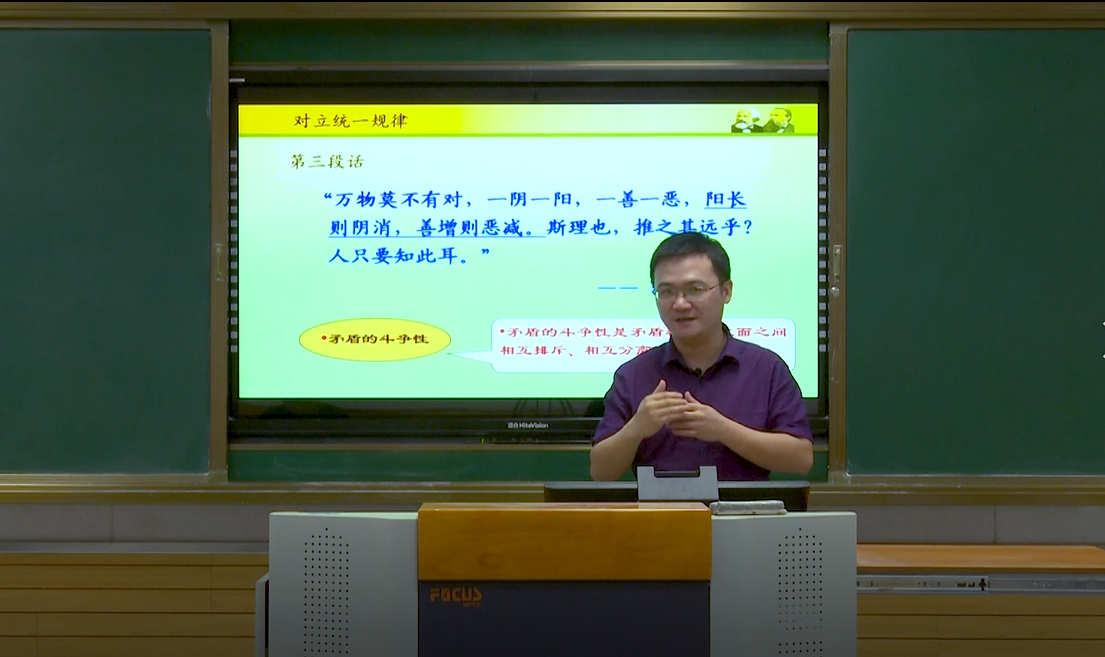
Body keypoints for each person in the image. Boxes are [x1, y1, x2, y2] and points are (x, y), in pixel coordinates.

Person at [589, 232, 813, 481]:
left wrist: (723, 430)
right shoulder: (634, 374)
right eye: (666, 292)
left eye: (695, 290)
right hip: (659, 507)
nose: (680, 304)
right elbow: (600, 472)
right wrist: (636, 428)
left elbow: (801, 459)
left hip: (743, 506)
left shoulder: (766, 368)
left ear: (726, 291)